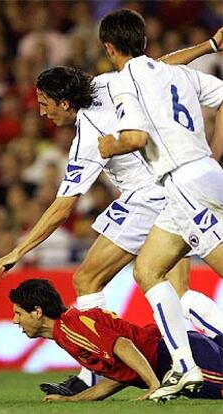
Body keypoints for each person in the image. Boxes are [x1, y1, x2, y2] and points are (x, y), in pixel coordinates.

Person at [0, 29, 223, 396]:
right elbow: (157, 68)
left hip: (151, 194)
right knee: (173, 291)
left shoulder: (87, 140)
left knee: (88, 280)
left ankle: (98, 371)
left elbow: (63, 207)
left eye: (44, 103)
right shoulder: (105, 83)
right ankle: (185, 365)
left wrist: (20, 250)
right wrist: (208, 47)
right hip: (175, 185)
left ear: (65, 103)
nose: (41, 112)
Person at [97, 9, 223, 401]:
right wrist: (215, 155)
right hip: (196, 177)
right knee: (149, 270)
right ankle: (185, 368)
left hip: (185, 181)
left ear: (108, 48)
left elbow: (133, 138)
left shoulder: (123, 83)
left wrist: (109, 144)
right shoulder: (175, 72)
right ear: (145, 43)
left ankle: (186, 366)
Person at [9, 279, 223, 402]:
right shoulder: (67, 328)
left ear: (37, 312)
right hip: (175, 353)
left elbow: (123, 345)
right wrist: (73, 400)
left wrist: (153, 385)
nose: (15, 321)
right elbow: (122, 376)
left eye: (19, 313)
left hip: (173, 357)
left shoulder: (69, 328)